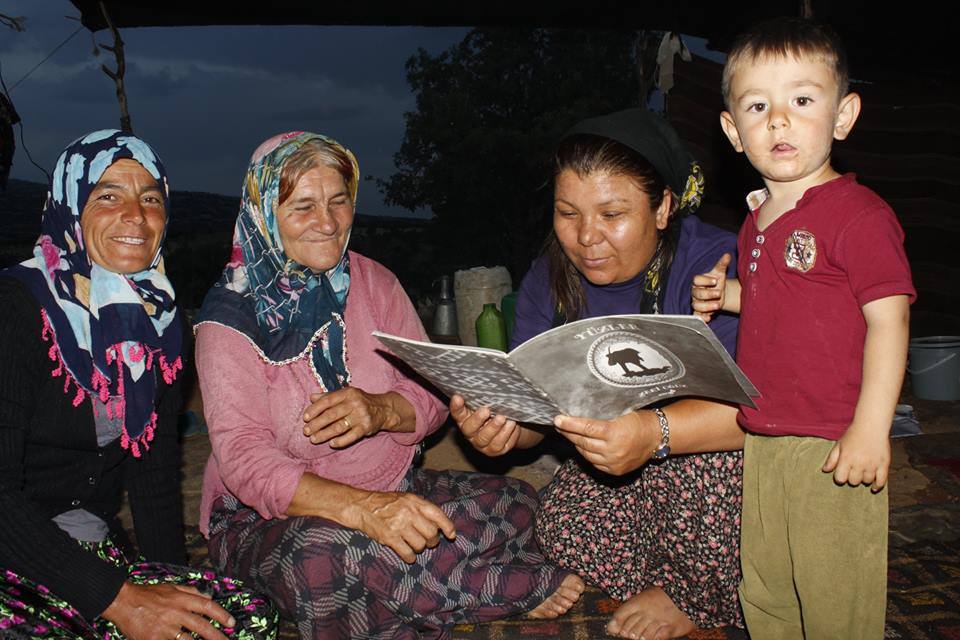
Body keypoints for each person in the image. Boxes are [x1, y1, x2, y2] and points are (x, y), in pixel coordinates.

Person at [194, 131, 583, 639]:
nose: (328, 223)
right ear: (264, 212)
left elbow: (432, 397)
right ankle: (490, 587)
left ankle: (410, 589)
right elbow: (245, 462)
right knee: (322, 560)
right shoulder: (229, 319)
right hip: (272, 522)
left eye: (339, 202)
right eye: (303, 207)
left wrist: (382, 411)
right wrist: (364, 511)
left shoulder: (374, 282)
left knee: (521, 506)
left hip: (391, 487)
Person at [451, 108, 745, 640]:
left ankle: (691, 594)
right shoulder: (550, 276)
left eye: (612, 214)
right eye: (568, 213)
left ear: (663, 208)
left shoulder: (716, 267)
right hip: (620, 459)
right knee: (562, 526)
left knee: (712, 479)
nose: (586, 237)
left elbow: (758, 413)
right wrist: (504, 431)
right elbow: (541, 407)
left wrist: (650, 433)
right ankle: (699, 577)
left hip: (716, 460)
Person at [0, 130, 278, 640]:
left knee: (244, 618)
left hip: (93, 552)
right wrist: (123, 601)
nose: (136, 214)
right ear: (68, 207)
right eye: (108, 196)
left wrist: (175, 584)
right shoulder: (17, 309)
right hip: (14, 555)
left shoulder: (162, 323)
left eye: (150, 197)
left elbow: (152, 476)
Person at [691, 18, 915, 639]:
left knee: (833, 588)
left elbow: (889, 320)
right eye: (758, 105)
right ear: (734, 131)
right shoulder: (758, 220)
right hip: (762, 431)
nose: (779, 120)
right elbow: (783, 300)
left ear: (843, 117)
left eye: (802, 99)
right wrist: (731, 295)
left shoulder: (859, 216)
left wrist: (871, 429)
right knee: (764, 584)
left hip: (833, 439)